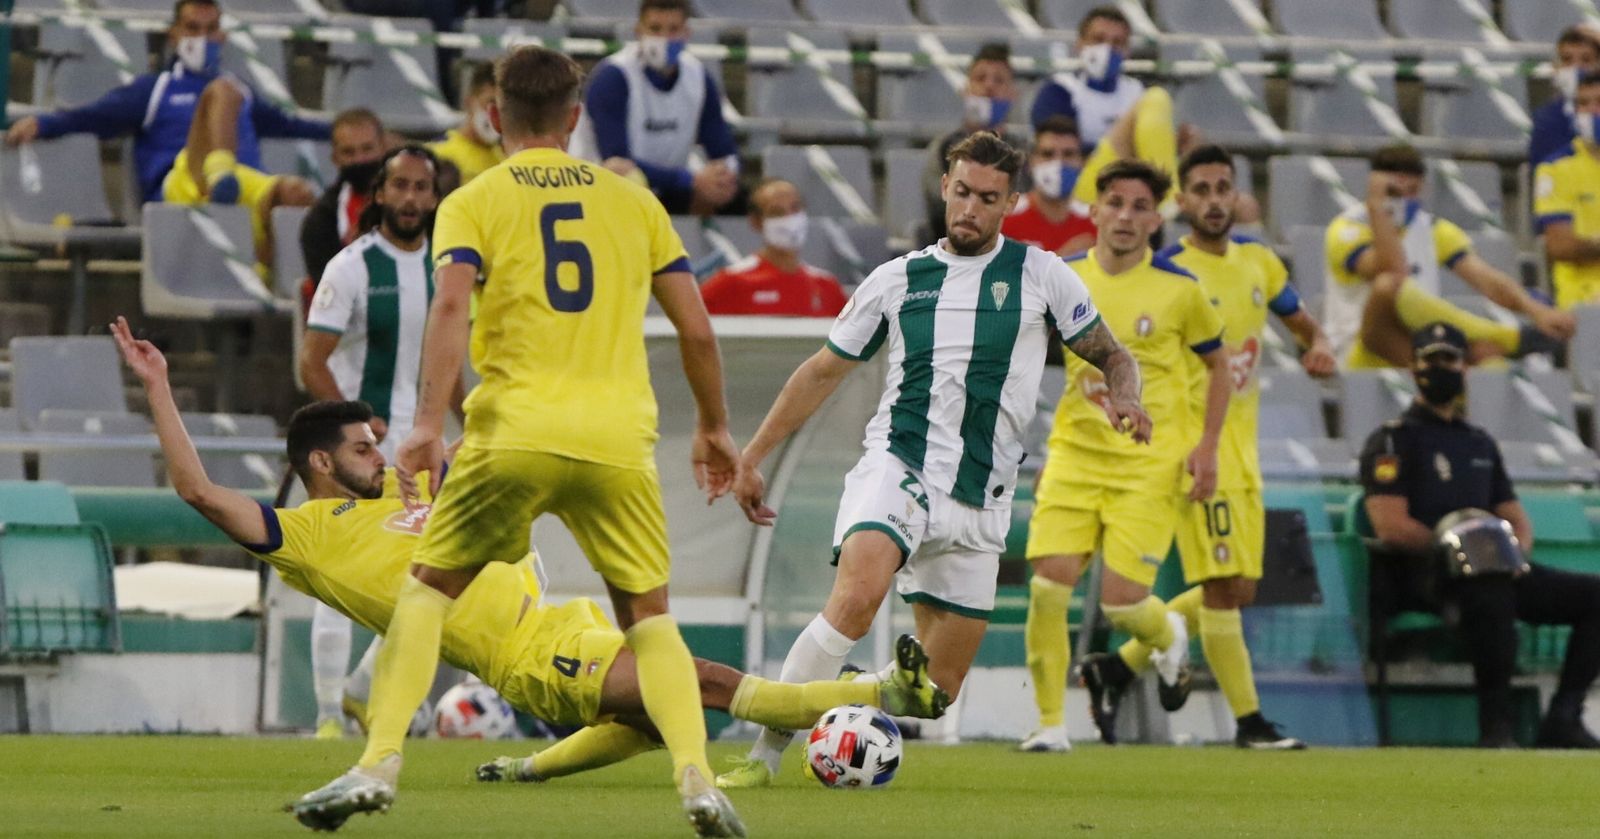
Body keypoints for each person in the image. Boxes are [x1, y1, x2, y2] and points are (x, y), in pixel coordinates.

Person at [107, 318, 946, 823]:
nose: (377, 453)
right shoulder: (307, 532)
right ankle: (882, 694)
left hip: (562, 620)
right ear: (321, 463)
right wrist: (158, 388)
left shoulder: (422, 490)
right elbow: (198, 491)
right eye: (361, 447)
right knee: (708, 684)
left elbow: (490, 449)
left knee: (657, 722)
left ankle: (527, 766)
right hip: (527, 654)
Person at [294, 45, 747, 838]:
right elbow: (697, 330)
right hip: (615, 439)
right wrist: (712, 426)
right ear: (576, 119)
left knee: (429, 592)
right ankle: (698, 780)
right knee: (650, 621)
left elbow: (449, 310)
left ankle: (378, 762)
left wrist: (430, 424)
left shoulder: (473, 200)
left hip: (513, 433)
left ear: (496, 115)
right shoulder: (635, 203)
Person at [716, 131, 1147, 788]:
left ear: (1010, 203)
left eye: (989, 198)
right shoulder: (897, 279)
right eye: (964, 192)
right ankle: (761, 757)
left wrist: (1127, 400)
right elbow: (821, 371)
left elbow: (1114, 355)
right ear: (946, 186)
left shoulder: (1042, 274)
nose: (972, 208)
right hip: (899, 467)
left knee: (936, 691)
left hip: (982, 498)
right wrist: (752, 455)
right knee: (856, 599)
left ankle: (863, 691)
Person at [1040, 145, 1335, 753]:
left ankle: (1120, 665)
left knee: (1241, 586)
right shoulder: (1169, 268)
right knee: (1223, 585)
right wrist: (1197, 444)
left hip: (1241, 446)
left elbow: (1298, 326)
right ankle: (1248, 722)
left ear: (1237, 196)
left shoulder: (1259, 263)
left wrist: (1318, 347)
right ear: (1180, 205)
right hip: (1185, 447)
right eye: (1199, 190)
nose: (1213, 201)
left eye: (1223, 188)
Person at [1022, 159, 1228, 748]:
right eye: (1115, 202)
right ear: (1095, 209)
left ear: (1156, 219)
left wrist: (1207, 447)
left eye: (1140, 206)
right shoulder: (1064, 278)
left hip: (1150, 461)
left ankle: (1166, 636)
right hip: (1074, 455)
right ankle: (1050, 726)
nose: (1125, 216)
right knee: (1047, 587)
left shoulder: (1180, 292)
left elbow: (1220, 367)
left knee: (1122, 606)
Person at [1359, 322, 1600, 749]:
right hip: (1424, 573)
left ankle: (1564, 715)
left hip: (1491, 566)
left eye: (1449, 359)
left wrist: (1513, 554)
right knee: (1491, 593)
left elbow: (1516, 519)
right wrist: (1457, 549)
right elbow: (1389, 524)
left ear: (1465, 367)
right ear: (1413, 369)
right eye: (1430, 360)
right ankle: (1497, 726)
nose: (1441, 368)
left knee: (1592, 595)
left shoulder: (1478, 443)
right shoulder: (1393, 441)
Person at [297, 145, 443, 740]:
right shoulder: (352, 266)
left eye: (421, 188)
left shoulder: (448, 267)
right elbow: (312, 362)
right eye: (400, 187)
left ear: (434, 198)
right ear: (380, 194)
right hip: (361, 454)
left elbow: (447, 367)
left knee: (430, 578)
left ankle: (361, 687)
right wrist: (355, 426)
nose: (410, 199)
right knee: (339, 577)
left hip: (421, 451)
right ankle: (329, 716)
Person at [3, 0, 324, 264]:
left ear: (222, 36)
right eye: (192, 28)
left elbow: (293, 125)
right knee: (222, 94)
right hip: (180, 188)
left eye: (210, 29)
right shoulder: (155, 89)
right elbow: (96, 116)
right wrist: (44, 123)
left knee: (299, 195)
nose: (202, 38)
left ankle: (281, 291)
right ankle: (219, 180)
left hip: (247, 189)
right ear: (173, 34)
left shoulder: (245, 91)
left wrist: (346, 131)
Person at [1326, 143, 1573, 368]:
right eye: (1395, 193)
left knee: (1493, 367)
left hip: (1421, 344)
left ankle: (1469, 363)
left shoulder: (1433, 229)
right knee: (1388, 285)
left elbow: (1485, 279)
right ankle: (1506, 337)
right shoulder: (1347, 229)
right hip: (1360, 350)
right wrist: (1378, 209)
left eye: (1412, 192)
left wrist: (1536, 311)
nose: (1404, 201)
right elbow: (1392, 268)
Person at [571, 0, 740, 215]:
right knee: (623, 173)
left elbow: (722, 145)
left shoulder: (697, 75)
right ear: (638, 31)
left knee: (714, 188)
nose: (663, 38)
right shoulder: (613, 77)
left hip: (669, 187)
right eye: (655, 29)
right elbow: (615, 158)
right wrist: (692, 179)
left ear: (686, 33)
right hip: (604, 187)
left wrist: (725, 176)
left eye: (673, 30)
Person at [1030, 6, 1177, 210]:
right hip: (1082, 188)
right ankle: (1167, 201)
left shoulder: (1136, 91)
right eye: (1099, 39)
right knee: (1156, 98)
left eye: (1117, 43)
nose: (1107, 50)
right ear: (1080, 44)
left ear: (1127, 51)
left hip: (1130, 189)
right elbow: (1060, 150)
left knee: (1160, 102)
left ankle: (1166, 201)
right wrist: (1123, 141)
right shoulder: (1059, 90)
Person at [699, 179, 849, 317]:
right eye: (777, 212)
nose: (790, 219)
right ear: (756, 222)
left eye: (795, 208)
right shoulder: (730, 282)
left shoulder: (828, 286)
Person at [921, 42, 1023, 243]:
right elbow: (939, 207)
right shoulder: (944, 148)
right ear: (965, 90)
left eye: (999, 80)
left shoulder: (1024, 151)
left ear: (1013, 94)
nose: (989, 86)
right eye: (980, 78)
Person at [299, 109, 389, 288]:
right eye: (349, 152)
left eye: (367, 149)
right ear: (335, 157)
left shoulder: (414, 205)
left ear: (384, 148)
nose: (360, 160)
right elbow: (328, 288)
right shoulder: (322, 218)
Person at [1535, 73, 1600, 311]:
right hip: (1583, 300)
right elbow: (1561, 246)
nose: (1592, 112)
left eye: (1599, 103)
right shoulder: (1556, 168)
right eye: (1583, 104)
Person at [1001, 115, 1096, 256]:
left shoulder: (1096, 222)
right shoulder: (1004, 217)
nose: (1058, 163)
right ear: (1031, 162)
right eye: (1047, 154)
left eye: (1068, 154)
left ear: (1082, 162)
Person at [1529, 26, 1600, 169]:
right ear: (1556, 66)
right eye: (1567, 59)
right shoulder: (1547, 119)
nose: (1576, 66)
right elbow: (1545, 170)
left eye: (1586, 60)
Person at [429, 63, 505, 186]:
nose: (496, 113)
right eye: (491, 102)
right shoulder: (437, 154)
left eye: (504, 106)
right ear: (469, 102)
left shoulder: (508, 160)